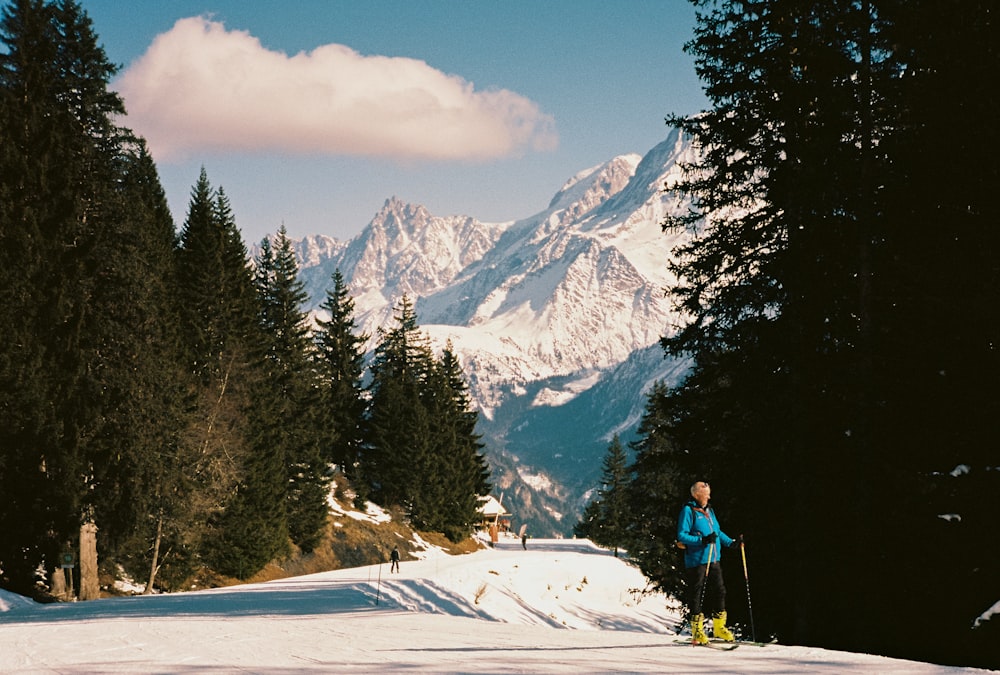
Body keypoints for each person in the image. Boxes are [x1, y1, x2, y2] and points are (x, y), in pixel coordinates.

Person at [676, 481, 737, 644]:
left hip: (714, 558)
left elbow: (716, 531)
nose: (709, 496)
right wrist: (701, 540)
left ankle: (719, 628)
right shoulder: (688, 511)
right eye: (706, 493)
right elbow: (682, 535)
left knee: (720, 591)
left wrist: (730, 542)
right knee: (697, 594)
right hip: (697, 560)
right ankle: (697, 631)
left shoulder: (709, 510)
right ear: (697, 494)